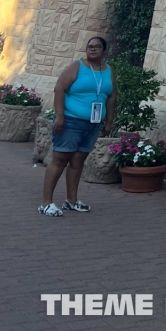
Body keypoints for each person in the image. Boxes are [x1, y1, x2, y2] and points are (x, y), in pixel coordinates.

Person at [38, 36, 116, 216]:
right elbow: (59, 88)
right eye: (90, 46)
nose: (93, 49)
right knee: (60, 160)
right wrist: (59, 117)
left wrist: (109, 121)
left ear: (104, 50)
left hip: (93, 124)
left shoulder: (108, 71)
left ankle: (71, 201)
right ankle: (46, 203)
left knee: (77, 162)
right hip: (71, 121)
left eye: (97, 47)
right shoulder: (77, 67)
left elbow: (112, 95)